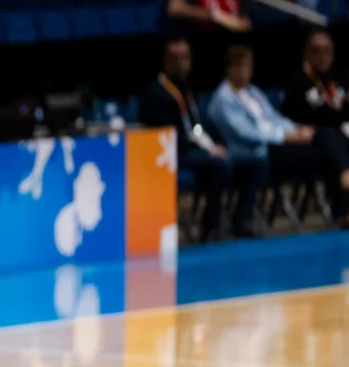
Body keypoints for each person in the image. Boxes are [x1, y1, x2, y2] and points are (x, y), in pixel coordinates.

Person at [138, 38, 264, 240]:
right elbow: (167, 136)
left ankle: (242, 218)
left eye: (185, 58)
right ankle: (211, 224)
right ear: (165, 61)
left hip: (194, 149)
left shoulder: (186, 89)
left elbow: (197, 126)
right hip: (171, 154)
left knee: (254, 163)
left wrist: (214, 145)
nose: (180, 63)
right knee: (219, 165)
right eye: (175, 58)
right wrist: (208, 149)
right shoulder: (156, 93)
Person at [207, 45, 321, 235]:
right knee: (315, 154)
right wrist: (284, 137)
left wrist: (297, 129)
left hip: (273, 144)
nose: (244, 72)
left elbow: (273, 118)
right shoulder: (222, 99)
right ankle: (241, 218)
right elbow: (246, 133)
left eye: (247, 67)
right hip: (249, 149)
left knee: (319, 142)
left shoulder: (253, 92)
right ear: (228, 69)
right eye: (239, 67)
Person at [281, 30, 349, 226]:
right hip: (308, 138)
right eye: (317, 51)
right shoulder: (297, 80)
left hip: (337, 137)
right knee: (331, 138)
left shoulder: (336, 79)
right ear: (306, 53)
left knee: (337, 141)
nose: (322, 56)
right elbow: (290, 116)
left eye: (327, 51)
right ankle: (344, 197)